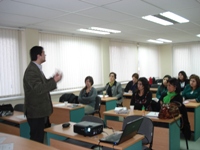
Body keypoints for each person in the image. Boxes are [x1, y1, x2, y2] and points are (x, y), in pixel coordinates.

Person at [23, 46, 62, 143]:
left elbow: (43, 84)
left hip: (40, 112)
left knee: (40, 138)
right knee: (36, 139)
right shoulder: (31, 70)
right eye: (43, 53)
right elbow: (39, 89)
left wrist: (53, 79)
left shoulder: (36, 69)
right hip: (35, 112)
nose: (45, 55)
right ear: (38, 55)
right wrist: (54, 81)